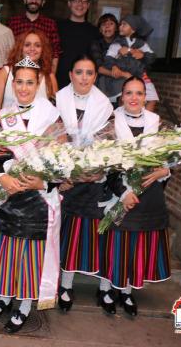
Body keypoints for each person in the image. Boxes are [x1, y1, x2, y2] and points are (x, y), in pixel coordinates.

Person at [0, 57, 63, 333]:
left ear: (39, 83)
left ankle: (23, 305)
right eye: (18, 82)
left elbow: (64, 159)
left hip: (37, 201)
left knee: (28, 258)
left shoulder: (51, 116)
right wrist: (2, 176)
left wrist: (42, 182)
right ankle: (4, 298)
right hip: (7, 198)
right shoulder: (4, 115)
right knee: (7, 255)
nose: (23, 87)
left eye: (29, 82)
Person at [95, 77, 171, 316]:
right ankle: (105, 289)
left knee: (135, 246)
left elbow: (172, 157)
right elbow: (105, 163)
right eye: (129, 93)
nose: (134, 98)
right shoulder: (110, 122)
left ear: (145, 97)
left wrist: (165, 169)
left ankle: (126, 291)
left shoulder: (157, 123)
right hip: (119, 193)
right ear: (122, 96)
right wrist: (124, 191)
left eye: (139, 93)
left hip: (148, 195)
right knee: (114, 245)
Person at [56, 54, 115, 314]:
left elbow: (109, 144)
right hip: (64, 180)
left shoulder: (105, 106)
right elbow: (51, 139)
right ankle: (65, 286)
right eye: (78, 72)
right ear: (70, 75)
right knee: (67, 235)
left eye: (89, 73)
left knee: (92, 235)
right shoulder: (56, 100)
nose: (83, 77)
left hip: (92, 180)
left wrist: (86, 170)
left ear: (95, 76)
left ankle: (102, 288)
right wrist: (64, 174)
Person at [102, 15, 158, 109]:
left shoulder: (141, 44)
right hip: (122, 76)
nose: (120, 27)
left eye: (124, 25)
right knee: (123, 98)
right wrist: (114, 67)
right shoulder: (117, 42)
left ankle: (148, 121)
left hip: (139, 74)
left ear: (133, 29)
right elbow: (108, 57)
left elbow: (152, 57)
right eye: (120, 24)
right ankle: (122, 120)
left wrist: (142, 55)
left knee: (152, 98)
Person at [0, 29, 57, 108]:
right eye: (27, 45)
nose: (32, 48)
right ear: (20, 48)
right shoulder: (6, 72)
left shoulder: (49, 75)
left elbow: (55, 108)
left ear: (43, 50)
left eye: (37, 45)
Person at [7, 0, 61, 72]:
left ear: (43, 2)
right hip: (16, 72)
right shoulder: (13, 22)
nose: (34, 0)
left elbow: (55, 53)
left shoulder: (50, 24)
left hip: (42, 73)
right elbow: (8, 49)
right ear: (24, 0)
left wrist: (51, 77)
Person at [56, 0, 100, 89]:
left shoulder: (94, 31)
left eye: (84, 1)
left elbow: (97, 60)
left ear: (88, 5)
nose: (80, 4)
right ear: (69, 3)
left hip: (83, 83)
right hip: (58, 82)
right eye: (76, 0)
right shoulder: (57, 27)